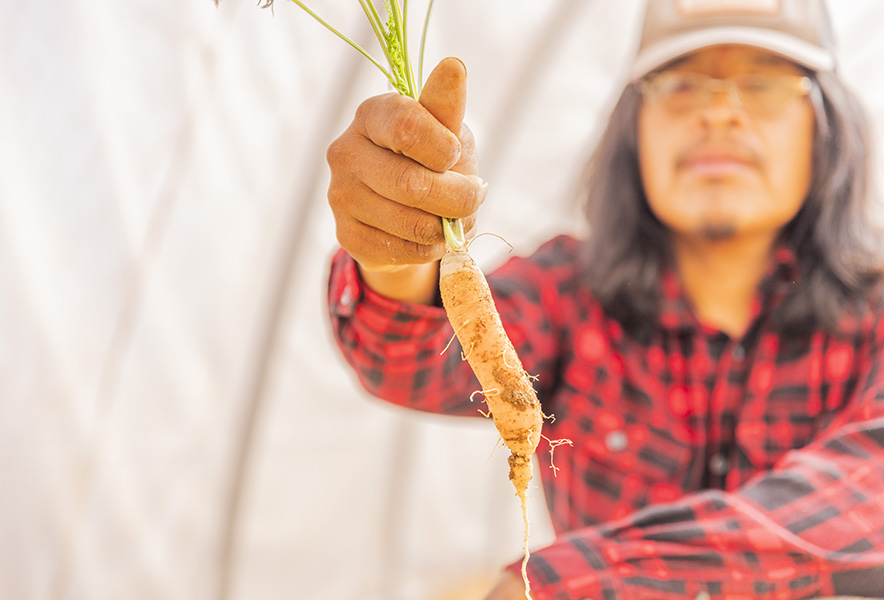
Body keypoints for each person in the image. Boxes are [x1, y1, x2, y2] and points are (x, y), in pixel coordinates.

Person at [325, 0, 884, 598]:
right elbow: (409, 359)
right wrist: (393, 253)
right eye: (682, 83)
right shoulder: (570, 293)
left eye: (766, 83)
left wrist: (565, 586)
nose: (720, 112)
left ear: (825, 127)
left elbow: (862, 503)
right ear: (633, 127)